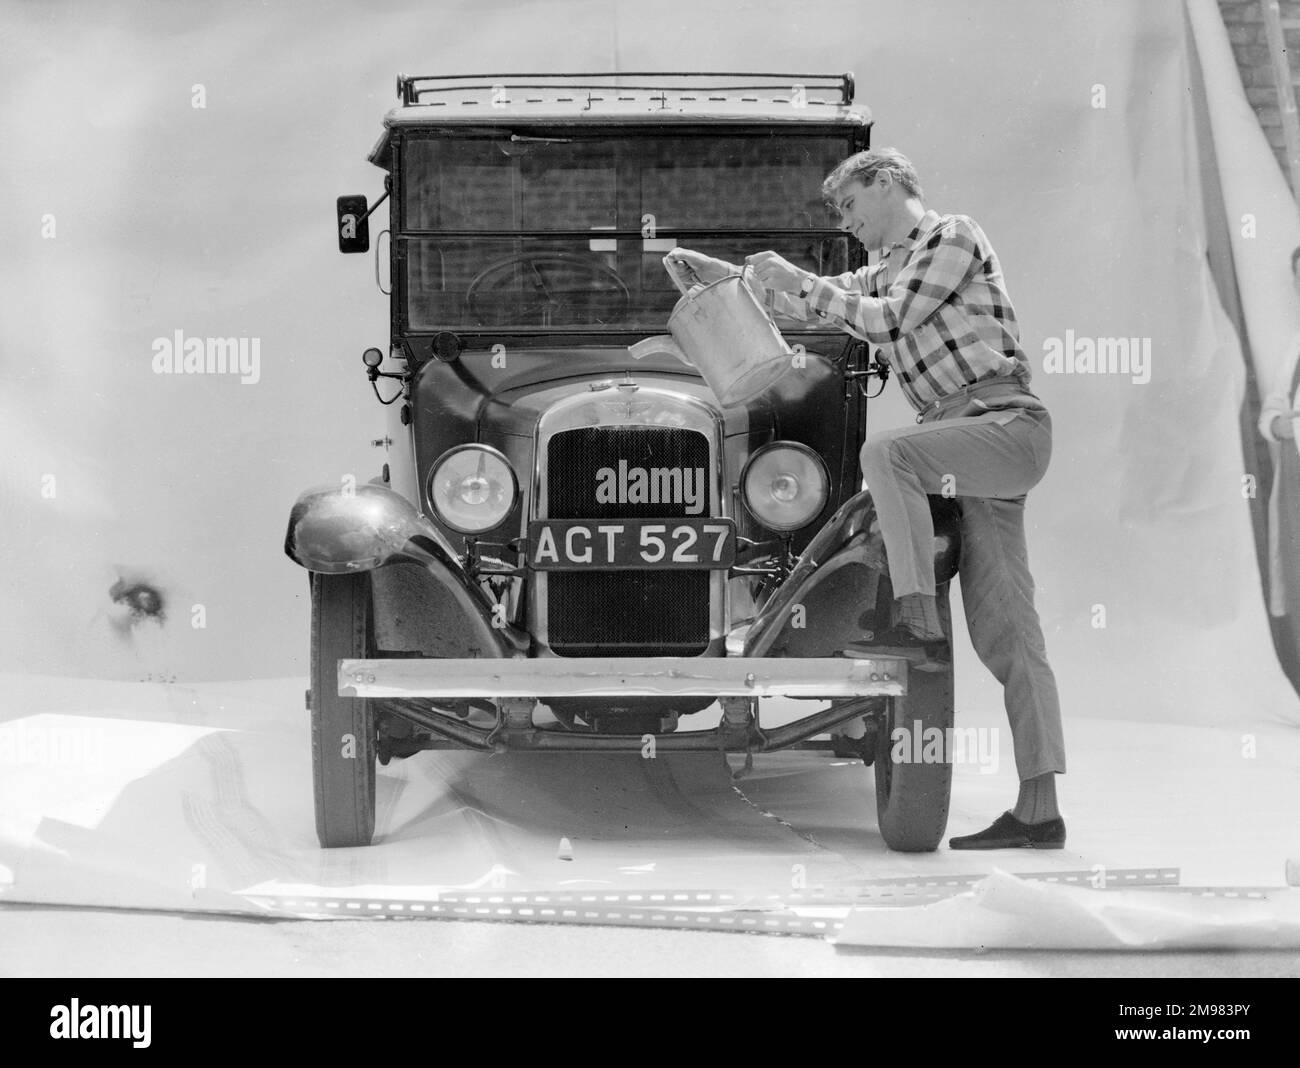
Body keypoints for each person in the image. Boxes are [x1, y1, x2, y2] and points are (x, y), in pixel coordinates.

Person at [671, 148, 1066, 849]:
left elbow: (890, 320)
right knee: (1009, 632)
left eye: (852, 205)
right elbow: (805, 296)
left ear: (887, 182)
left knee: (885, 452)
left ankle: (915, 618)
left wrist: (808, 285)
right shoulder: (884, 269)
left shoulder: (953, 236)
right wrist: (724, 275)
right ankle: (1041, 811)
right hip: (959, 449)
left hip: (1004, 427)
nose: (848, 223)